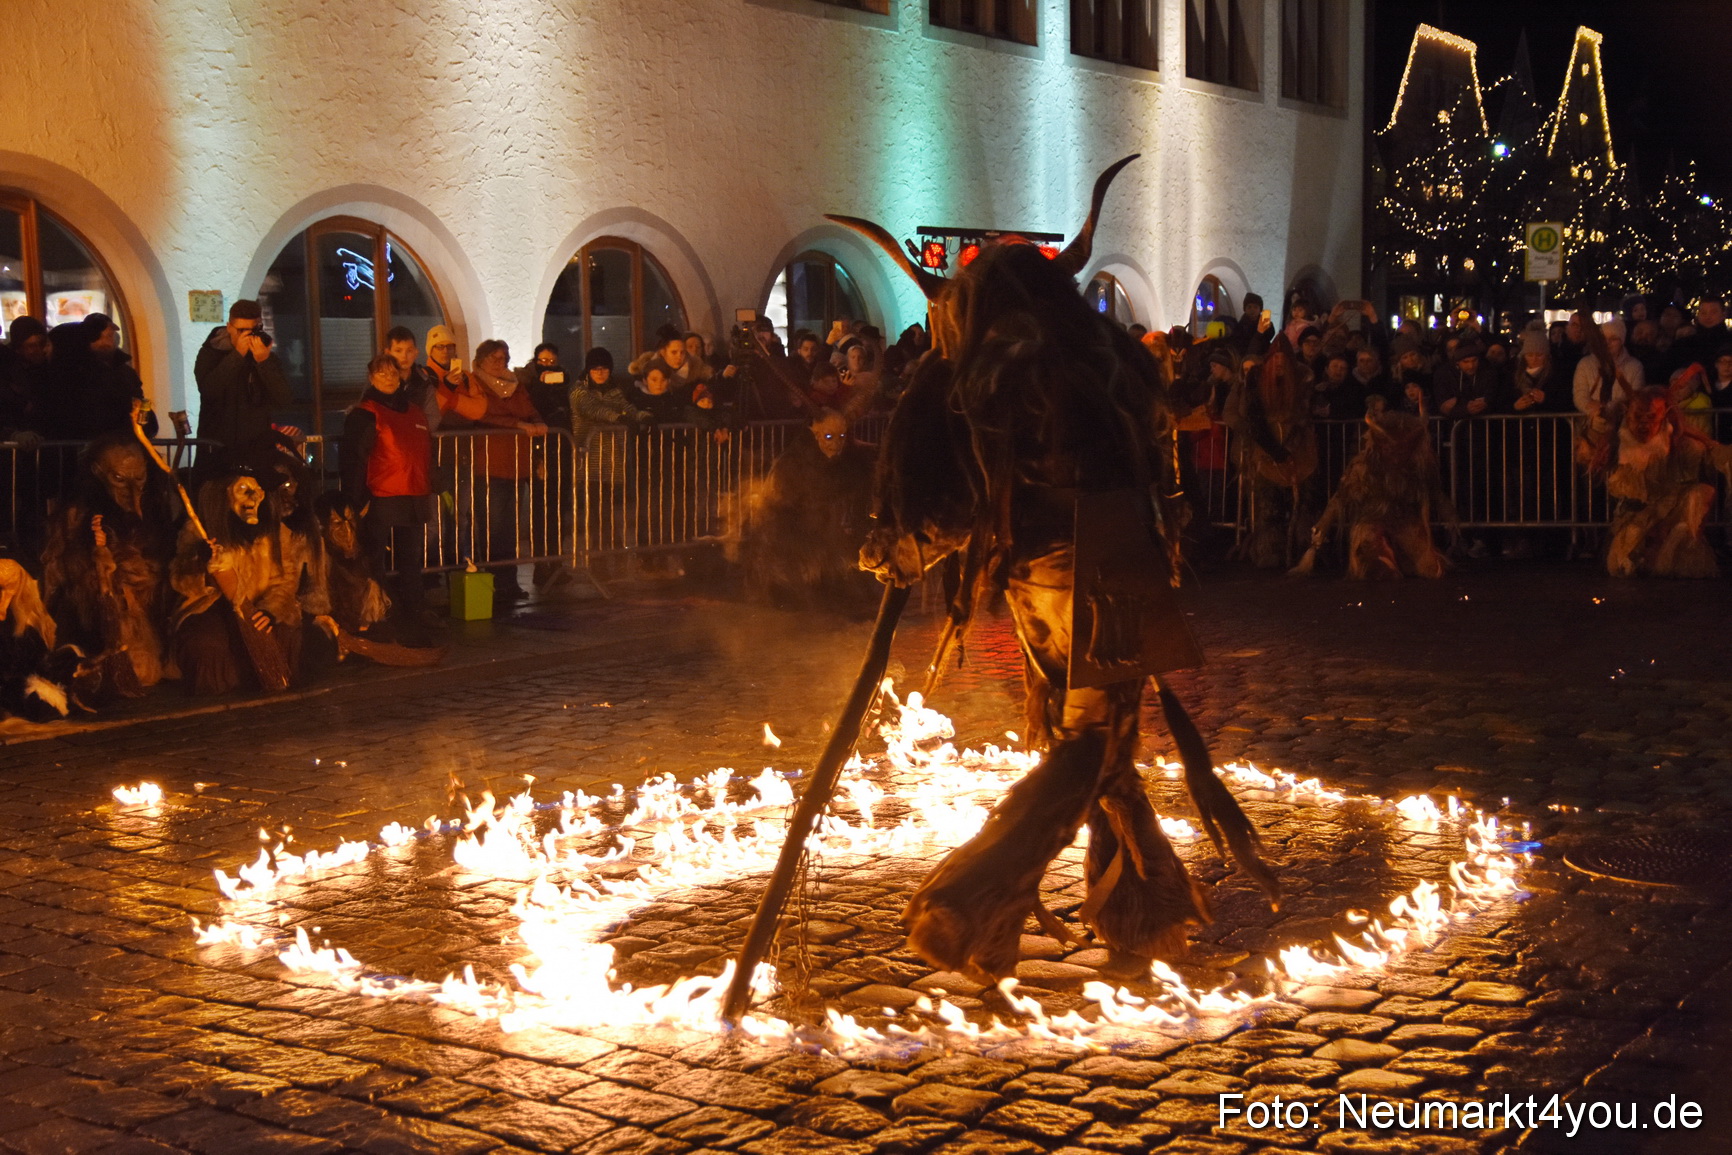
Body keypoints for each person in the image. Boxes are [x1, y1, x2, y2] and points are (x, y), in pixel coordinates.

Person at [40, 431, 178, 697]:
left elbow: (163, 571)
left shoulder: (155, 516)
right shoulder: (74, 518)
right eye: (119, 479)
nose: (131, 491)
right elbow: (54, 576)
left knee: (143, 669)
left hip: (144, 619)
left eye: (139, 479)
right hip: (88, 616)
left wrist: (129, 565)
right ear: (97, 473)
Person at [169, 465, 307, 695]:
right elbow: (180, 579)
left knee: (286, 633)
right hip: (214, 608)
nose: (253, 497)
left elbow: (286, 581)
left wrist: (270, 611)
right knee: (207, 644)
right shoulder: (198, 530)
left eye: (257, 490)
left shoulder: (276, 532)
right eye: (243, 489)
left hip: (258, 606)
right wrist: (201, 561)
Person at [342, 353, 436, 634]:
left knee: (410, 560)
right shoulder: (364, 413)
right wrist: (354, 500)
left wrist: (434, 483)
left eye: (392, 373)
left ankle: (413, 612)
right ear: (371, 377)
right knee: (373, 560)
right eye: (381, 373)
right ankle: (375, 615)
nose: (388, 378)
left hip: (414, 494)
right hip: (380, 496)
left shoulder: (415, 412)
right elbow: (354, 459)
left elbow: (426, 453)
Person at [746, 409, 876, 611]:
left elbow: (848, 485)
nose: (836, 444)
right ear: (814, 434)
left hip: (814, 526)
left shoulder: (836, 460)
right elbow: (788, 500)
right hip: (786, 527)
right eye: (829, 436)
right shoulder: (794, 462)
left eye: (841, 437)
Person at [465, 340, 545, 605]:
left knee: (510, 527)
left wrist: (536, 422)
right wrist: (517, 424)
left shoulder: (515, 384)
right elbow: (482, 416)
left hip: (516, 464)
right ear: (481, 361)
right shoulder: (475, 384)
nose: (500, 363)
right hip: (490, 463)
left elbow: (529, 409)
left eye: (503, 358)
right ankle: (494, 581)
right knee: (493, 526)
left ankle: (508, 582)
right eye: (494, 358)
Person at [194, 301, 290, 467]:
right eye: (241, 330)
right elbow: (209, 390)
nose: (246, 336)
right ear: (229, 327)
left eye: (252, 330)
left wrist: (264, 363)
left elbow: (284, 399)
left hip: (257, 454)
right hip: (218, 454)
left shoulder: (265, 357)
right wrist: (237, 356)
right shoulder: (210, 353)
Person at [37, 315, 154, 443]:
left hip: (104, 452)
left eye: (49, 345)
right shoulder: (69, 377)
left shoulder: (85, 379)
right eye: (104, 336)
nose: (45, 350)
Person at [1573, 318, 1645, 422]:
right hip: (1592, 423)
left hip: (1622, 425)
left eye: (1613, 339)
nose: (1607, 343)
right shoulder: (1585, 364)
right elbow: (1580, 394)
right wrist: (1590, 407)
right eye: (1603, 338)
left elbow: (1636, 396)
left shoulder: (1635, 367)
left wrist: (1612, 409)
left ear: (1622, 341)